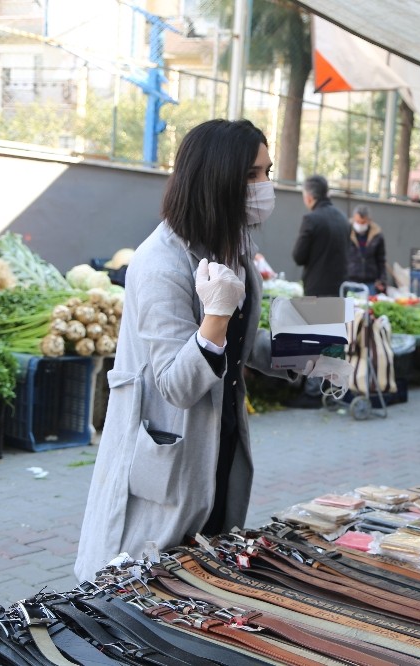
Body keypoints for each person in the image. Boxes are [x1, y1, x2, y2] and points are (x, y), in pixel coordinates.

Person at [75, 119, 297, 581]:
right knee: (144, 585)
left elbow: (241, 347)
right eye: (252, 175)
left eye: (267, 172)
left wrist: (320, 341)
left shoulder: (234, 246)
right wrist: (215, 317)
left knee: (209, 572)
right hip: (170, 452)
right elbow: (176, 384)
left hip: (222, 439)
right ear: (217, 179)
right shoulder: (159, 263)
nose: (265, 186)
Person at [293, 174, 349, 297]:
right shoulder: (343, 218)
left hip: (316, 289)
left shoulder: (311, 219)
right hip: (340, 289)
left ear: (309, 197)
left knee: (315, 317)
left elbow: (298, 256)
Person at [346, 204, 387, 294]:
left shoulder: (377, 235)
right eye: (358, 222)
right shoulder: (346, 232)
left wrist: (382, 280)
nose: (360, 225)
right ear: (353, 219)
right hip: (349, 281)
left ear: (369, 221)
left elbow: (381, 260)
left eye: (363, 222)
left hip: (370, 283)